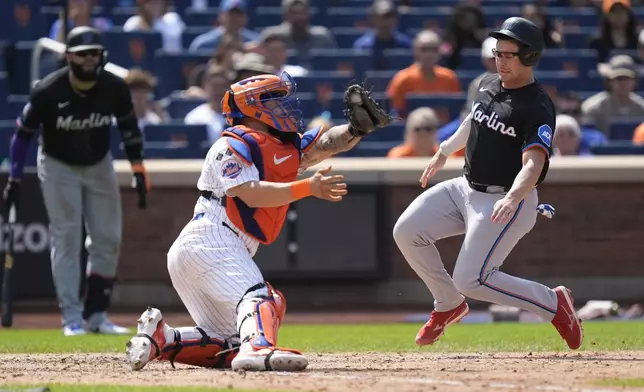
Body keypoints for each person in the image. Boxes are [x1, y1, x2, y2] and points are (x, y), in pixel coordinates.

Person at [125, 73, 392, 372]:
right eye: (275, 100)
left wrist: (357, 128)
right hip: (210, 238)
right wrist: (308, 188)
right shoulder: (230, 145)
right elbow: (250, 195)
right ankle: (259, 348)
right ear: (253, 106)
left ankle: (163, 339)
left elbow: (326, 143)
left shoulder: (279, 144)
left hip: (213, 247)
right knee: (261, 298)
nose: (285, 106)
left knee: (230, 342)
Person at [392, 17, 583, 351]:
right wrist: (443, 151)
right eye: (498, 53)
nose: (501, 60)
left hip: (506, 199)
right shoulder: (487, 83)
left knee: (472, 279)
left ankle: (553, 304)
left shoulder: (536, 105)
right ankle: (448, 303)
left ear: (530, 57)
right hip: (466, 187)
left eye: (509, 54)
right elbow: (474, 119)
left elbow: (534, 163)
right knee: (407, 231)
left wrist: (512, 197)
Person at [1, 27, 149, 337]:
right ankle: (71, 317)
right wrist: (14, 177)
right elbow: (22, 135)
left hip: (98, 163)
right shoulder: (48, 90)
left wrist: (138, 169)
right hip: (58, 165)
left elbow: (129, 128)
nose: (88, 60)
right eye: (82, 54)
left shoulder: (114, 87)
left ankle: (96, 314)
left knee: (108, 239)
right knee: (66, 236)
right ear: (68, 57)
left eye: (93, 53)